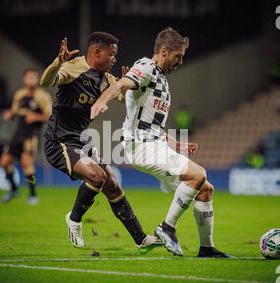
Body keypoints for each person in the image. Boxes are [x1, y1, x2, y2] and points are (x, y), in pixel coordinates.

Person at [90, 27, 230, 258]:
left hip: (154, 143)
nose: (180, 62)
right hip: (141, 146)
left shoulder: (161, 79)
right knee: (198, 174)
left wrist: (176, 143)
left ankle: (207, 248)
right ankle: (167, 228)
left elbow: (151, 123)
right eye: (178, 57)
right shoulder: (145, 67)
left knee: (205, 189)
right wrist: (101, 102)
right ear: (164, 51)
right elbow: (120, 85)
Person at [40, 32, 161, 253]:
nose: (114, 59)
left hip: (82, 139)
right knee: (97, 176)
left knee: (112, 184)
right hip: (59, 140)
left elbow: (122, 96)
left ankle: (141, 239)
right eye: (111, 54)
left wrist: (126, 88)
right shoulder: (74, 68)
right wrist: (58, 62)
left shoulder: (108, 79)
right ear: (97, 52)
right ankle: (74, 219)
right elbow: (46, 81)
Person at [0, 69, 52, 205]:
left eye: (34, 77)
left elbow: (50, 117)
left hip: (32, 135)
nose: (31, 80)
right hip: (18, 133)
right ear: (24, 79)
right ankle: (14, 189)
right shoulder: (19, 94)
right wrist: (10, 115)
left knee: (26, 163)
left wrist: (36, 117)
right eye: (29, 77)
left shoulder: (43, 96)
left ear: (38, 79)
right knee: (4, 162)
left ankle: (33, 195)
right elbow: (15, 111)